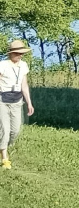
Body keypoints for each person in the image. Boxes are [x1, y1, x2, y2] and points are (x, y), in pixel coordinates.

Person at [0, 39, 34, 170]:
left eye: (21, 54)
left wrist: (29, 103)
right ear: (11, 53)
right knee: (5, 129)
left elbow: (24, 85)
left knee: (15, 130)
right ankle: (5, 158)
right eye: (17, 53)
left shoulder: (24, 66)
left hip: (17, 100)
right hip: (2, 100)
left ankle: (2, 147)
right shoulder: (2, 65)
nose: (19, 56)